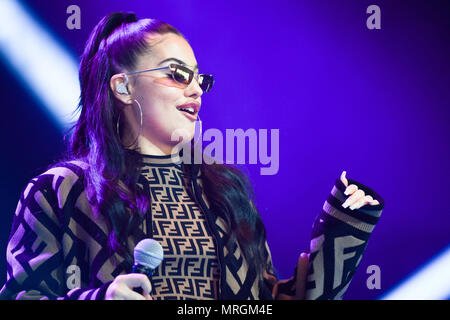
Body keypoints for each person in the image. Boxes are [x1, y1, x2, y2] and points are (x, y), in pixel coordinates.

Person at [0, 12, 384, 300]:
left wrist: (341, 231)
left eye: (200, 78)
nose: (196, 90)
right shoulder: (59, 192)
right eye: (177, 75)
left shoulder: (225, 191)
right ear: (123, 86)